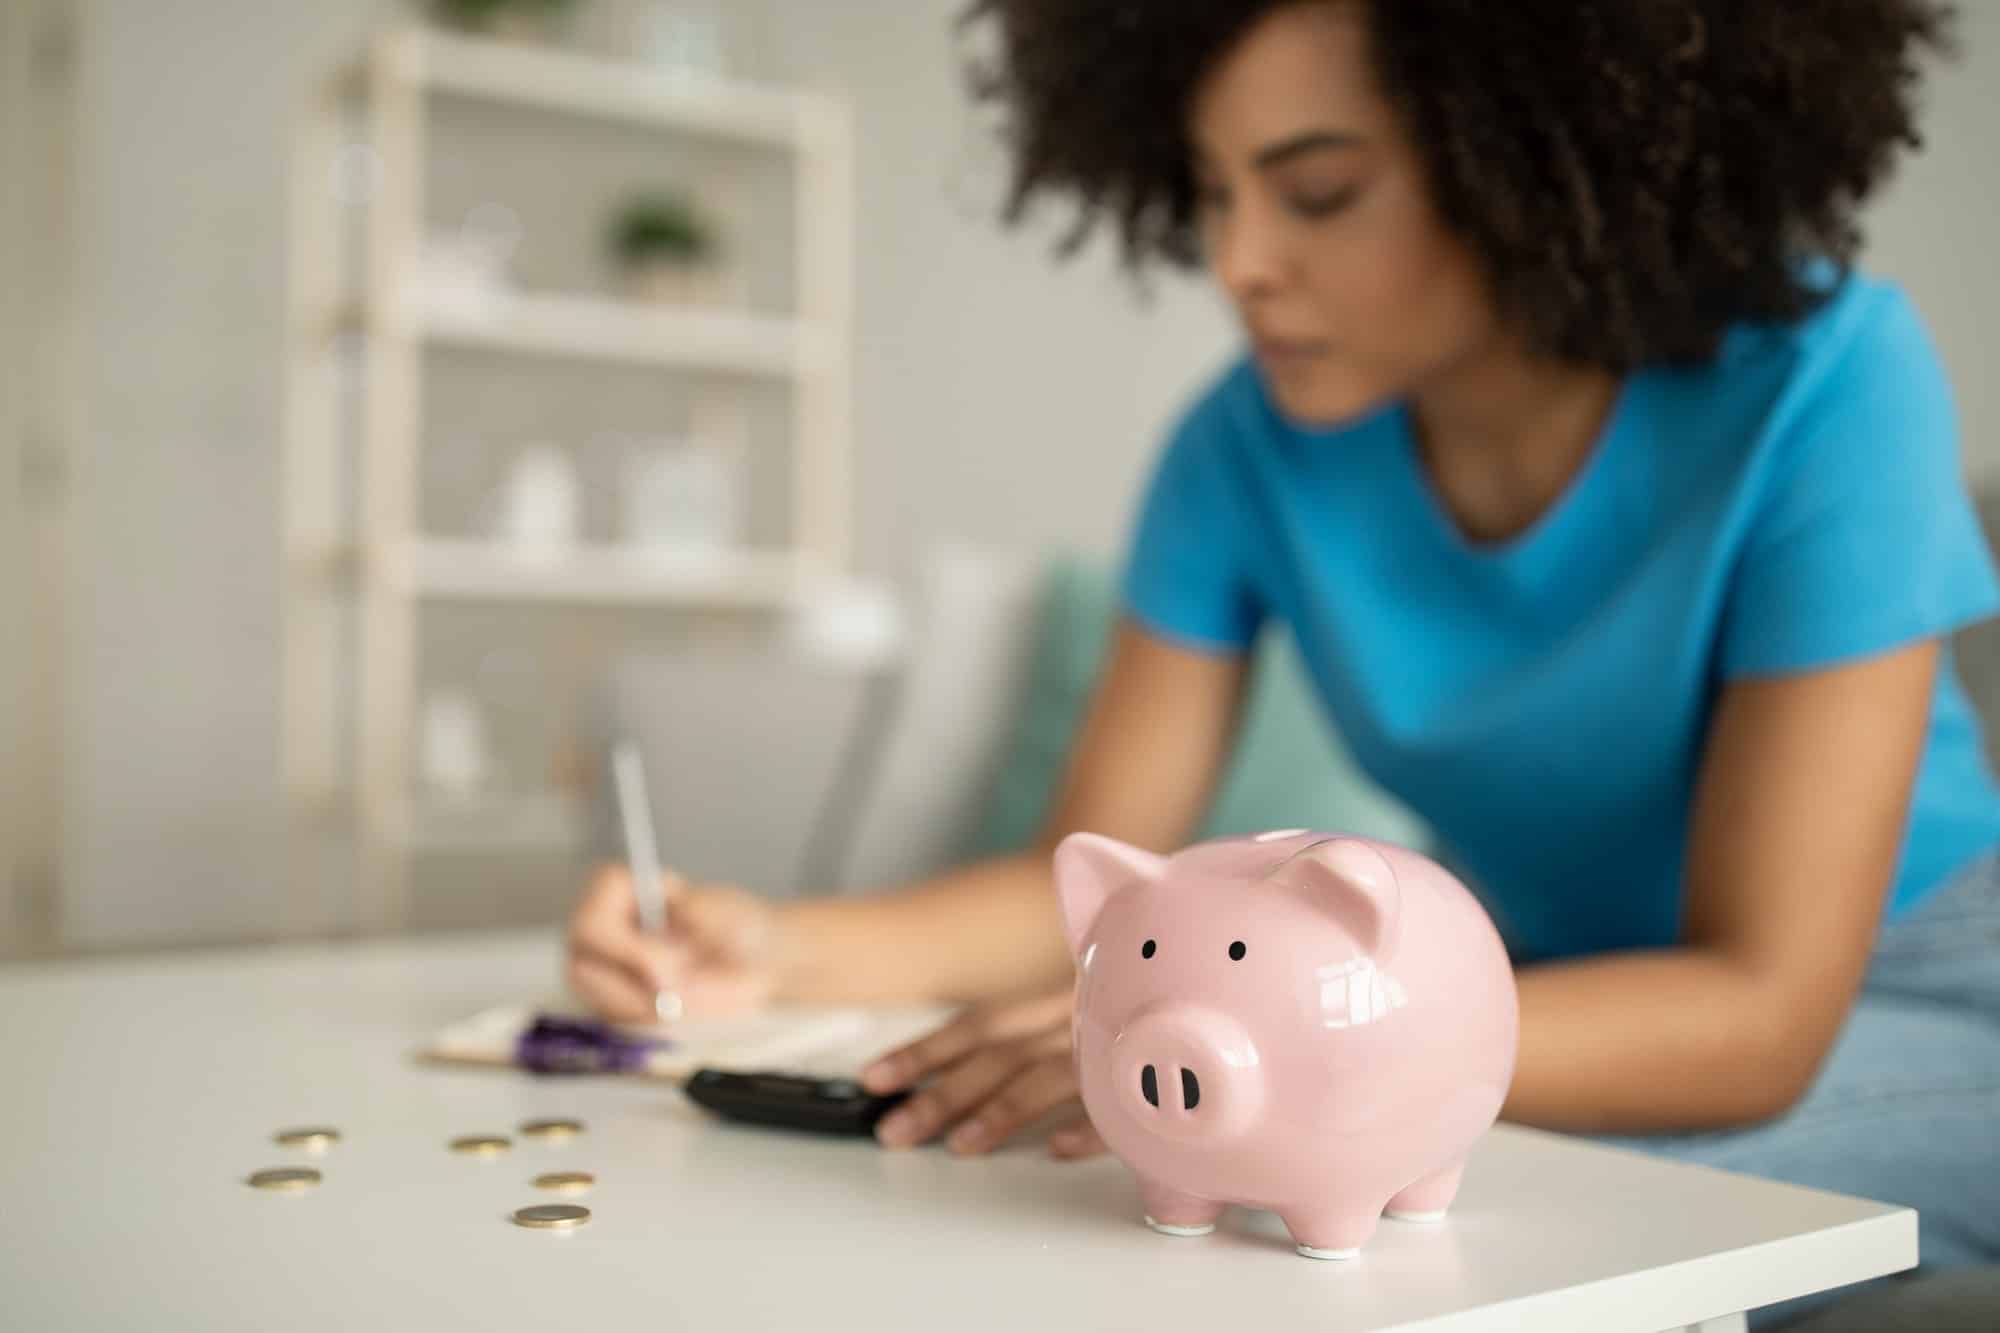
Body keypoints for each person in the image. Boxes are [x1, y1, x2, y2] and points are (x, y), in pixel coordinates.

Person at [566, 0, 1999, 1308]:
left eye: (1318, 192)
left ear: (1531, 159)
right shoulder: (1242, 448)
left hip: (1915, 994)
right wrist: (774, 951)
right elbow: (1081, 866)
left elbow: (1759, 1014)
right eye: (1212, 196)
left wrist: (1271, 1039)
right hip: (1508, 989)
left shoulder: (1830, 385)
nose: (1242, 261)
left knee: (1375, 1191)